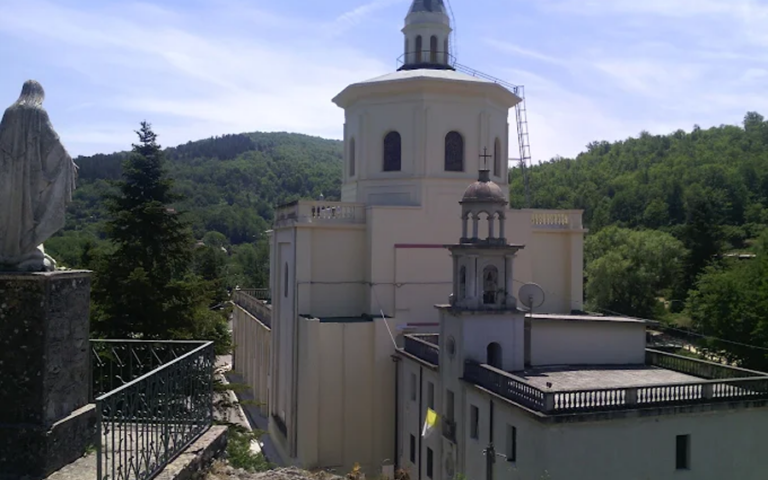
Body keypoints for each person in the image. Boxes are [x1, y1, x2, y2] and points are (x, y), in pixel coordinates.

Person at [0, 80, 77, 271]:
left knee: (8, 213)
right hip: (30, 179)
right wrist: (67, 161)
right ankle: (24, 250)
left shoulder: (9, 113)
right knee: (27, 213)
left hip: (7, 175)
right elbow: (53, 143)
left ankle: (8, 251)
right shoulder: (38, 112)